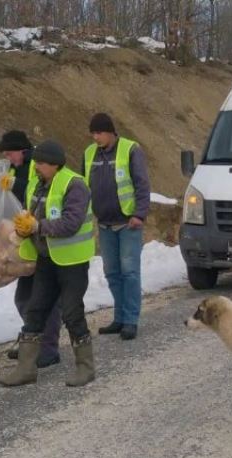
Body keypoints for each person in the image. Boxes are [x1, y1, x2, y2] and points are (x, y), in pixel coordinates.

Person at [0, 140, 96, 387]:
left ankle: (85, 367)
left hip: (72, 261)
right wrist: (23, 229)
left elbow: (70, 223)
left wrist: (37, 227)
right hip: (45, 259)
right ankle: (26, 368)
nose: (36, 167)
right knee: (35, 310)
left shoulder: (75, 185)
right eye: (36, 163)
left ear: (55, 164)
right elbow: (32, 216)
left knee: (72, 312)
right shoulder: (37, 184)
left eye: (41, 163)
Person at [83, 113, 151, 340]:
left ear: (111, 131)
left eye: (99, 133)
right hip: (104, 224)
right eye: (93, 133)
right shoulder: (89, 153)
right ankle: (119, 317)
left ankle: (130, 320)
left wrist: (139, 214)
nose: (96, 138)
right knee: (112, 273)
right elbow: (84, 186)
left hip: (128, 223)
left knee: (129, 272)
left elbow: (142, 184)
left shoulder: (131, 150)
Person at [0, 130, 62, 368]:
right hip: (27, 241)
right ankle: (32, 341)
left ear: (22, 150)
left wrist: (17, 184)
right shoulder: (16, 167)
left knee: (46, 299)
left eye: (10, 153)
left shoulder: (38, 165)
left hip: (45, 242)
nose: (8, 157)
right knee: (24, 298)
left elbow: (37, 192)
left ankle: (48, 348)